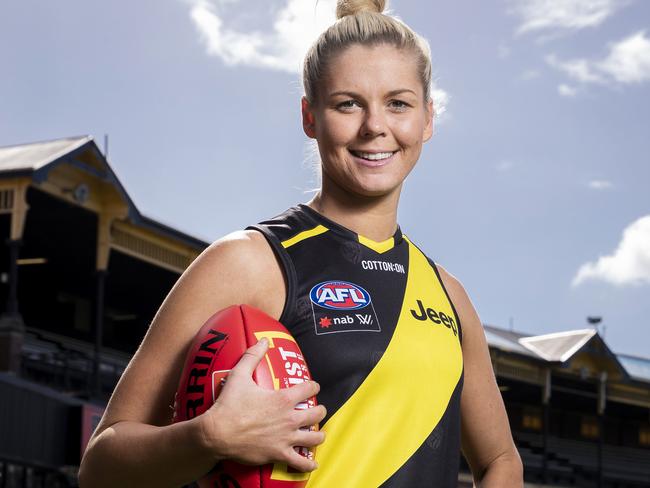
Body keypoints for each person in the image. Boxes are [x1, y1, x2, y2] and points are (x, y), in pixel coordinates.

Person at [78, 0, 524, 486]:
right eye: (347, 103)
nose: (375, 126)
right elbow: (100, 467)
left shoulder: (449, 296)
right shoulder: (249, 263)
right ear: (310, 117)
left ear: (428, 118)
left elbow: (501, 459)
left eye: (398, 103)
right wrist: (205, 437)